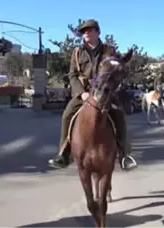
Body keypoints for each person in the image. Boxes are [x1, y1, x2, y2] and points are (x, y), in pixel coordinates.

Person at [48, 19, 137, 170]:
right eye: (84, 31)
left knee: (119, 114)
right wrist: (81, 93)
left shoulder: (109, 50)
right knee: (67, 115)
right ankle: (63, 154)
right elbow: (72, 75)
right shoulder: (77, 52)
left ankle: (124, 155)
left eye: (90, 30)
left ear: (98, 32)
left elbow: (117, 67)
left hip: (104, 90)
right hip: (83, 92)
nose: (86, 33)